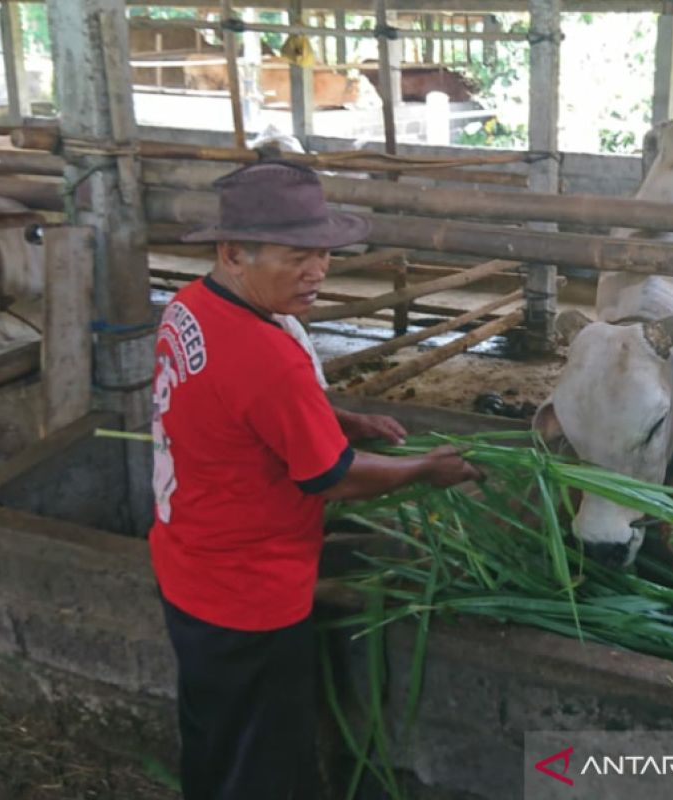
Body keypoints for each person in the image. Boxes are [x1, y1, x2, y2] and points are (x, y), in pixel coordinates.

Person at [149, 159, 482, 800]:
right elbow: (330, 477)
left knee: (216, 734)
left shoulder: (189, 308)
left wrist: (335, 417)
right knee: (268, 764)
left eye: (324, 253)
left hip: (188, 562)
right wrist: (423, 470)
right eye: (296, 256)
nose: (318, 272)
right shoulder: (271, 355)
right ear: (232, 252)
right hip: (250, 591)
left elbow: (233, 411)